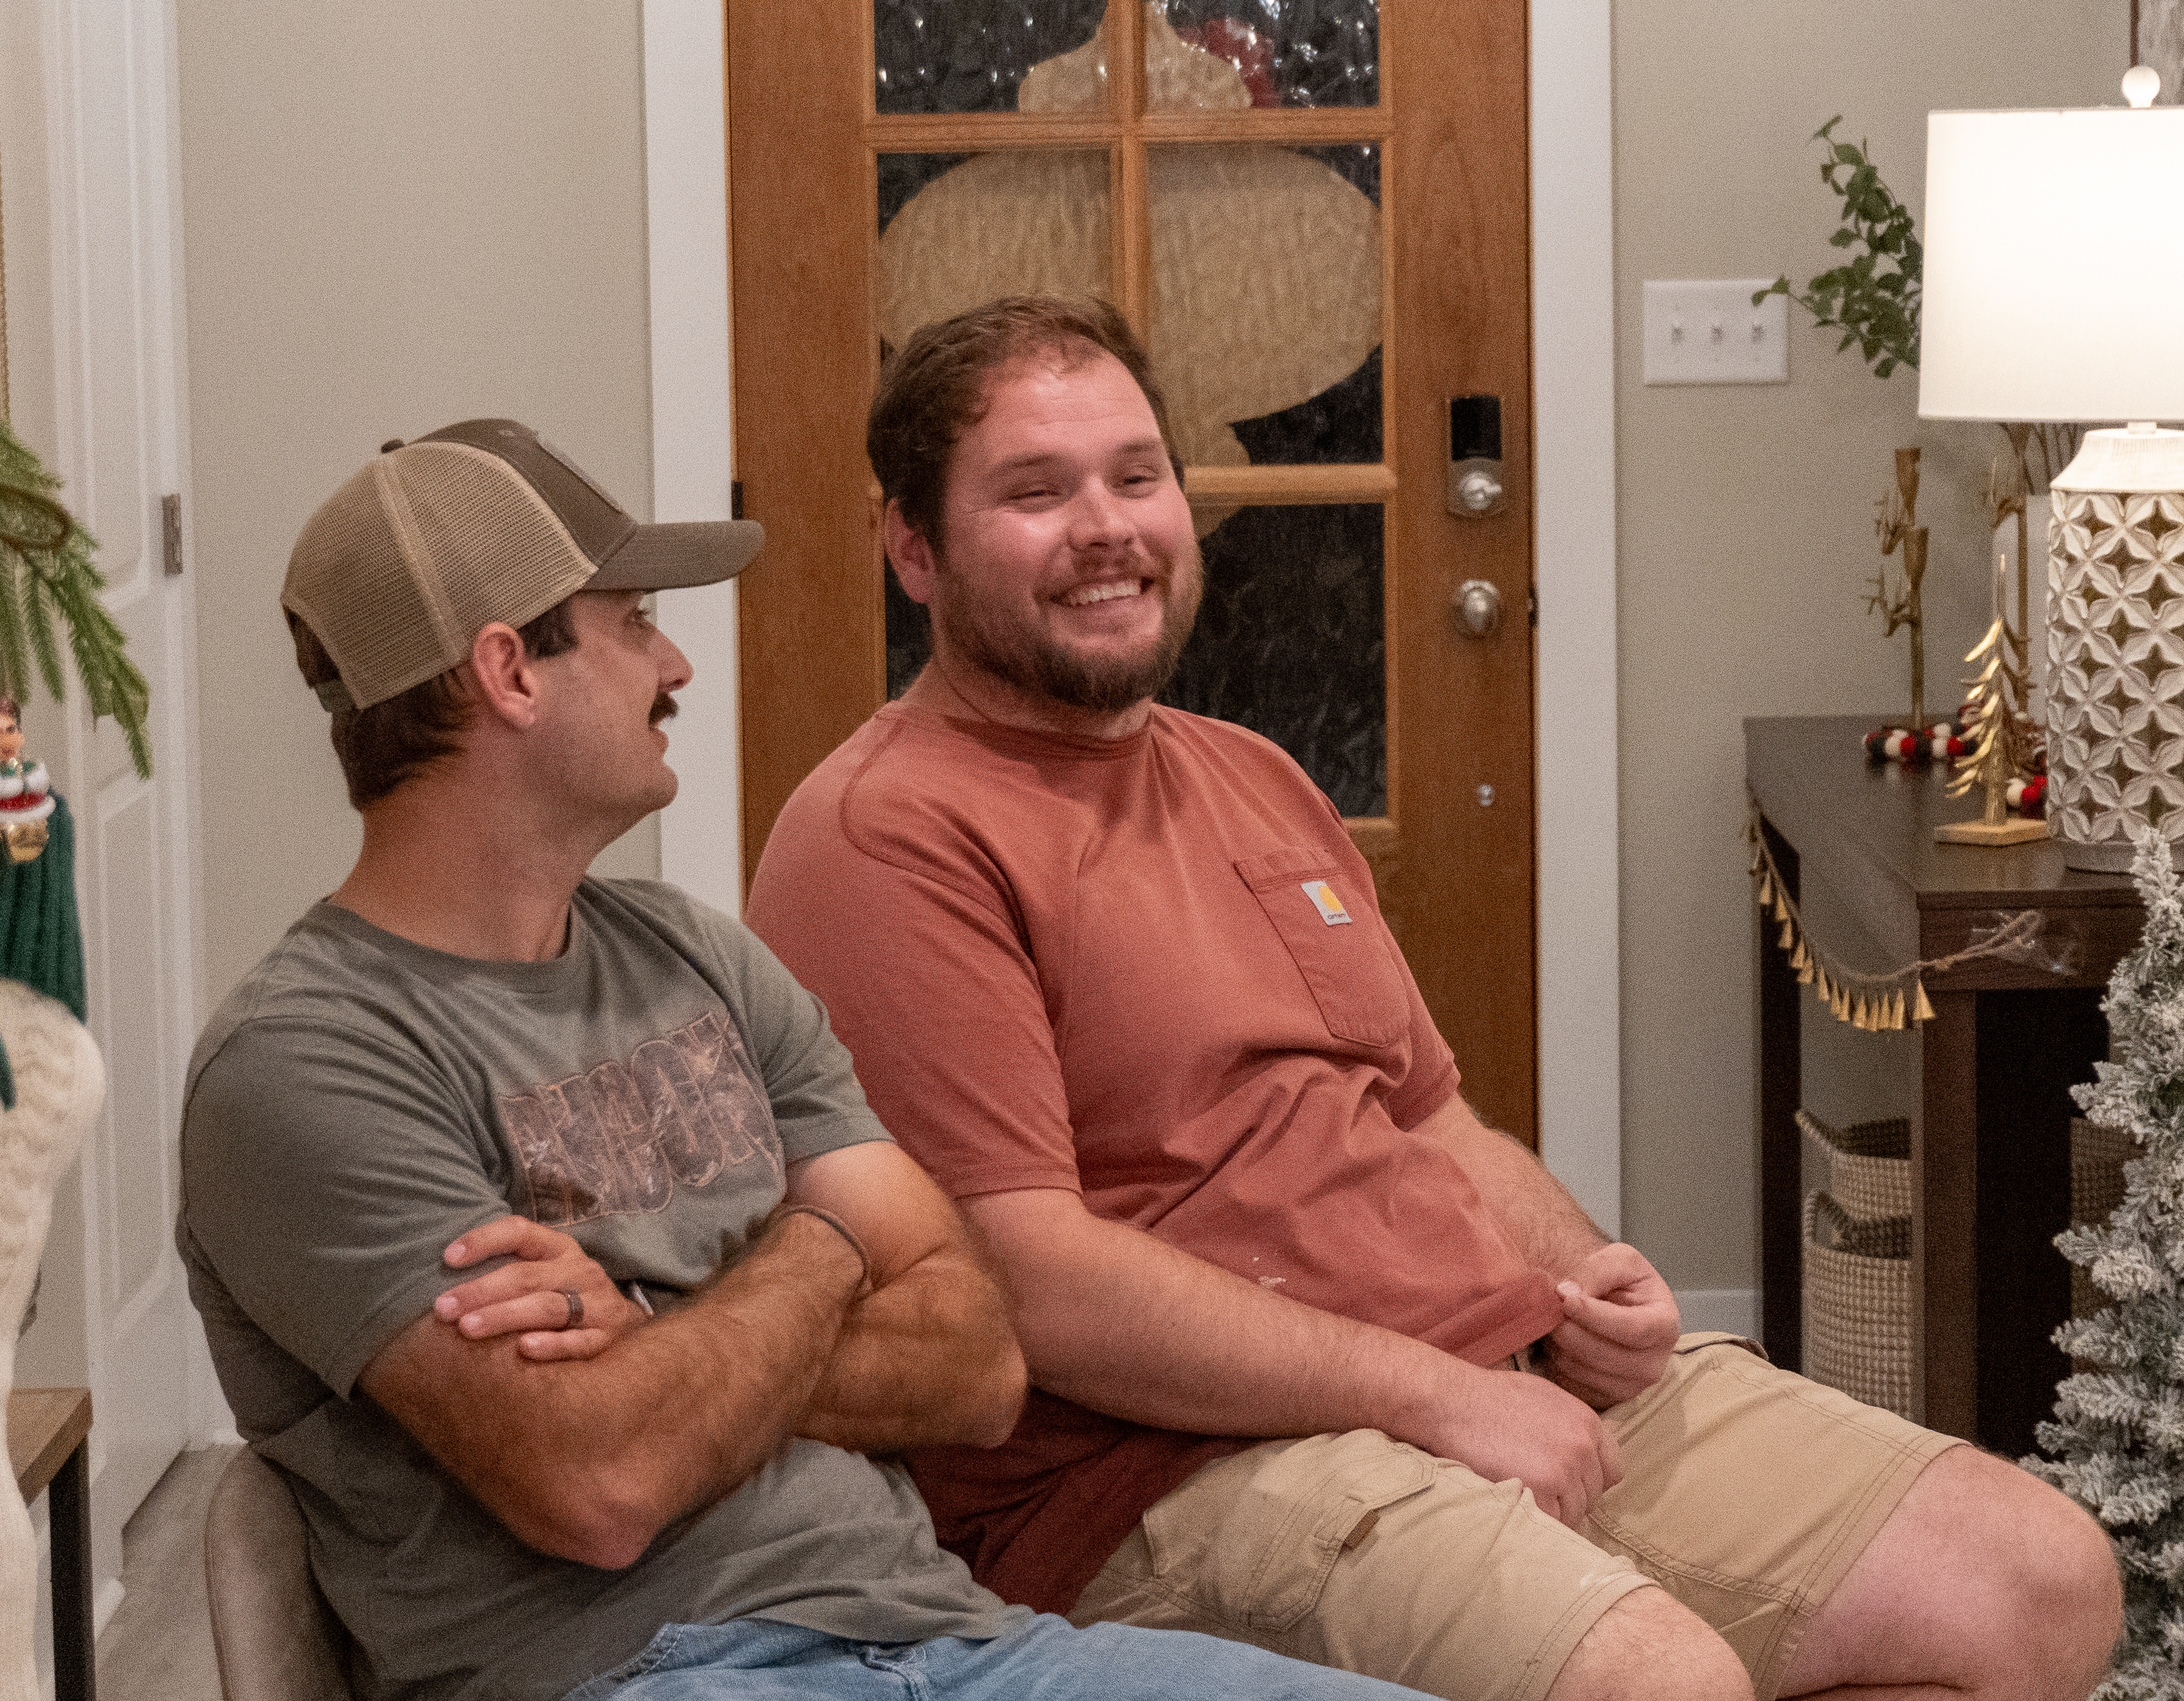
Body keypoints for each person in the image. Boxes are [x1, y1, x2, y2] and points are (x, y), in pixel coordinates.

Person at [746, 299, 2127, 1701]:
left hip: (1489, 1366)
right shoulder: (887, 836)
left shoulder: (1250, 775)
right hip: (1171, 1476)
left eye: (1136, 474)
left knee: (2035, 1580)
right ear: (911, 548)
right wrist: (1440, 1398)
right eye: (1035, 493)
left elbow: (1435, 1121)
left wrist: (1586, 1274)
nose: (1107, 526)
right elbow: (1023, 1278)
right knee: (1658, 1682)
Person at [179, 419, 1434, 1701]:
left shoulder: (694, 959)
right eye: (632, 625)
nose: (672, 663)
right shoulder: (305, 1064)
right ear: (510, 670)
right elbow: (602, 1484)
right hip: (642, 1675)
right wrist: (829, 1247)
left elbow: (979, 1363)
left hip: (962, 1643)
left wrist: (657, 1343)